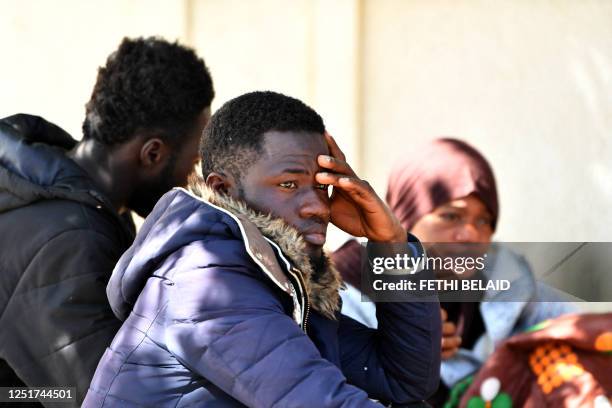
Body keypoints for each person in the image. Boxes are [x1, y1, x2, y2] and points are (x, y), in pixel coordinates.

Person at [84, 91, 441, 407]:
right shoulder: (204, 282)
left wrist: (391, 243)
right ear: (223, 190)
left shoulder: (279, 285)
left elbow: (404, 380)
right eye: (289, 184)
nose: (318, 206)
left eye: (322, 187)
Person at [0, 37, 214, 405]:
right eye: (193, 162)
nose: (193, 179)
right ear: (153, 153)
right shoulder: (71, 237)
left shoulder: (84, 206)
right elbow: (98, 396)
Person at [332, 138, 575, 406]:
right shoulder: (340, 287)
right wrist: (410, 347)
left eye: (484, 220)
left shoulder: (498, 274)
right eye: (451, 216)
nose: (471, 235)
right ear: (402, 215)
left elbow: (570, 324)